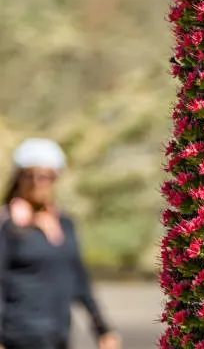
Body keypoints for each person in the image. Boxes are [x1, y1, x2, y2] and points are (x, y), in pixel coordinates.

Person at [0, 138, 121, 349]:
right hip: (15, 338)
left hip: (57, 336)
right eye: (30, 175)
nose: (38, 182)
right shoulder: (7, 225)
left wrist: (102, 328)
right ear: (19, 177)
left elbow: (79, 279)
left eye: (46, 176)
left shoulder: (65, 224)